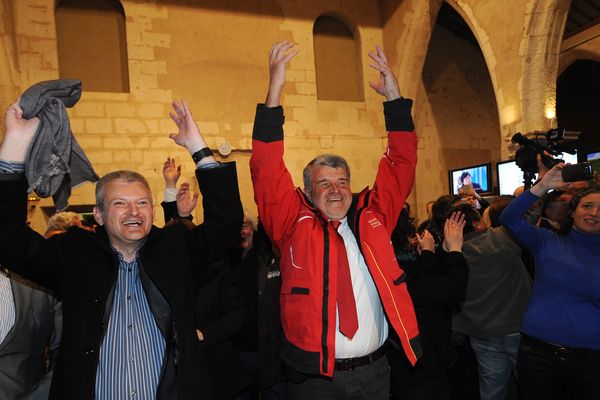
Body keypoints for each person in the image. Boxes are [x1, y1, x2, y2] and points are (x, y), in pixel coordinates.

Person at [0, 98, 243, 399]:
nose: (134, 212)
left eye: (142, 203)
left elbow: (228, 222)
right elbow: (8, 238)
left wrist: (198, 147)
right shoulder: (75, 255)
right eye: (120, 204)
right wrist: (14, 147)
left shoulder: (174, 250)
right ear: (99, 214)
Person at [250, 41, 421, 400]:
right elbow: (266, 170)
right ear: (308, 192)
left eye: (342, 181)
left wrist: (394, 99)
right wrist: (275, 91)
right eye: (324, 183)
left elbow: (401, 164)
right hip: (315, 381)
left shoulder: (373, 218)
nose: (335, 190)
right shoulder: (290, 224)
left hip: (376, 372)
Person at [499, 164, 600, 399]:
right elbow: (509, 218)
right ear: (573, 211)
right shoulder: (547, 241)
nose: (594, 213)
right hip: (537, 354)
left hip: (591, 359)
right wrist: (543, 186)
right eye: (587, 206)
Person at [453, 196, 533, 400]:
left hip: (481, 332)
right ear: (477, 222)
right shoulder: (502, 237)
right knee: (530, 386)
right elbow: (528, 215)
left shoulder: (451, 256)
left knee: (491, 389)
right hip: (519, 327)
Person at [387, 212, 468, 400]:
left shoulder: (391, 267)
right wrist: (455, 250)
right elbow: (453, 289)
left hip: (412, 365)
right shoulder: (401, 274)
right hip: (418, 370)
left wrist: (432, 253)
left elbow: (429, 283)